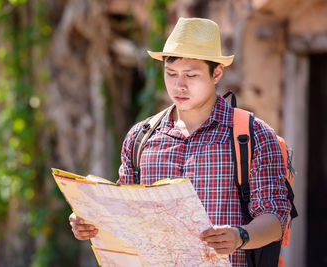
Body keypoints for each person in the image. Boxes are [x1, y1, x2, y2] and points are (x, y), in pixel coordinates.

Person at [69, 17, 290, 266]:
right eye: (171, 74)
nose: (178, 85)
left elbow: (276, 218)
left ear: (216, 72)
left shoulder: (252, 135)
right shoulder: (141, 137)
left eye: (191, 75)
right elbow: (125, 215)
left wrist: (241, 236)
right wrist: (90, 222)